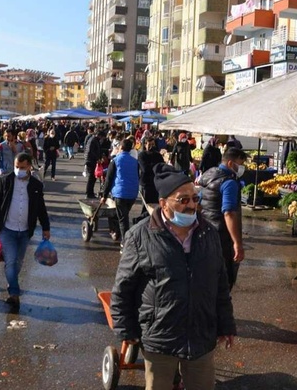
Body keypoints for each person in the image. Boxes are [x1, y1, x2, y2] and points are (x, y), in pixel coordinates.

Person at [111, 164, 236, 389]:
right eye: (183, 200)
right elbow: (123, 287)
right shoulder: (140, 236)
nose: (191, 205)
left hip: (201, 336)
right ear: (163, 204)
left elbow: (220, 284)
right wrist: (125, 329)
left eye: (195, 199)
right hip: (160, 338)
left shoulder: (209, 234)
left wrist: (226, 324)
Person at [0, 153, 50, 308]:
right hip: (7, 229)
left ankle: (11, 283)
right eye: (16, 167)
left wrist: (46, 227)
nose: (18, 170)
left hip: (26, 230)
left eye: (22, 167)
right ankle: (14, 292)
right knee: (11, 261)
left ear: (29, 167)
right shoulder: (5, 181)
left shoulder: (36, 185)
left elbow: (41, 208)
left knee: (18, 262)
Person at [198, 147, 248, 290]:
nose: (242, 168)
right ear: (231, 163)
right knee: (224, 281)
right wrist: (237, 243)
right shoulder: (229, 183)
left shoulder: (209, 175)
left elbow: (199, 204)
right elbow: (229, 213)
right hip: (222, 236)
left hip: (205, 232)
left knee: (207, 278)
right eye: (241, 163)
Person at [101, 139, 140, 248]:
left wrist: (104, 195)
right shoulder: (135, 161)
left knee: (123, 219)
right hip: (132, 193)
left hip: (120, 193)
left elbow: (108, 179)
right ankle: (122, 235)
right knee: (124, 215)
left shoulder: (115, 160)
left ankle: (125, 242)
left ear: (121, 148)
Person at [137, 137, 164, 205]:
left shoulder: (158, 155)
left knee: (155, 204)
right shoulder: (142, 155)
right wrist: (155, 165)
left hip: (156, 183)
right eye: (149, 144)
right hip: (146, 184)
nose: (151, 146)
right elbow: (145, 168)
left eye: (153, 144)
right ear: (145, 145)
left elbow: (162, 167)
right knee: (146, 205)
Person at [84, 130, 104, 199]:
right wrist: (97, 158)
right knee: (91, 178)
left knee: (93, 178)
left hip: (91, 160)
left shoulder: (94, 139)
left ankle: (90, 193)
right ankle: (89, 193)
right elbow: (91, 151)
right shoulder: (93, 140)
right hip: (90, 161)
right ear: (100, 136)